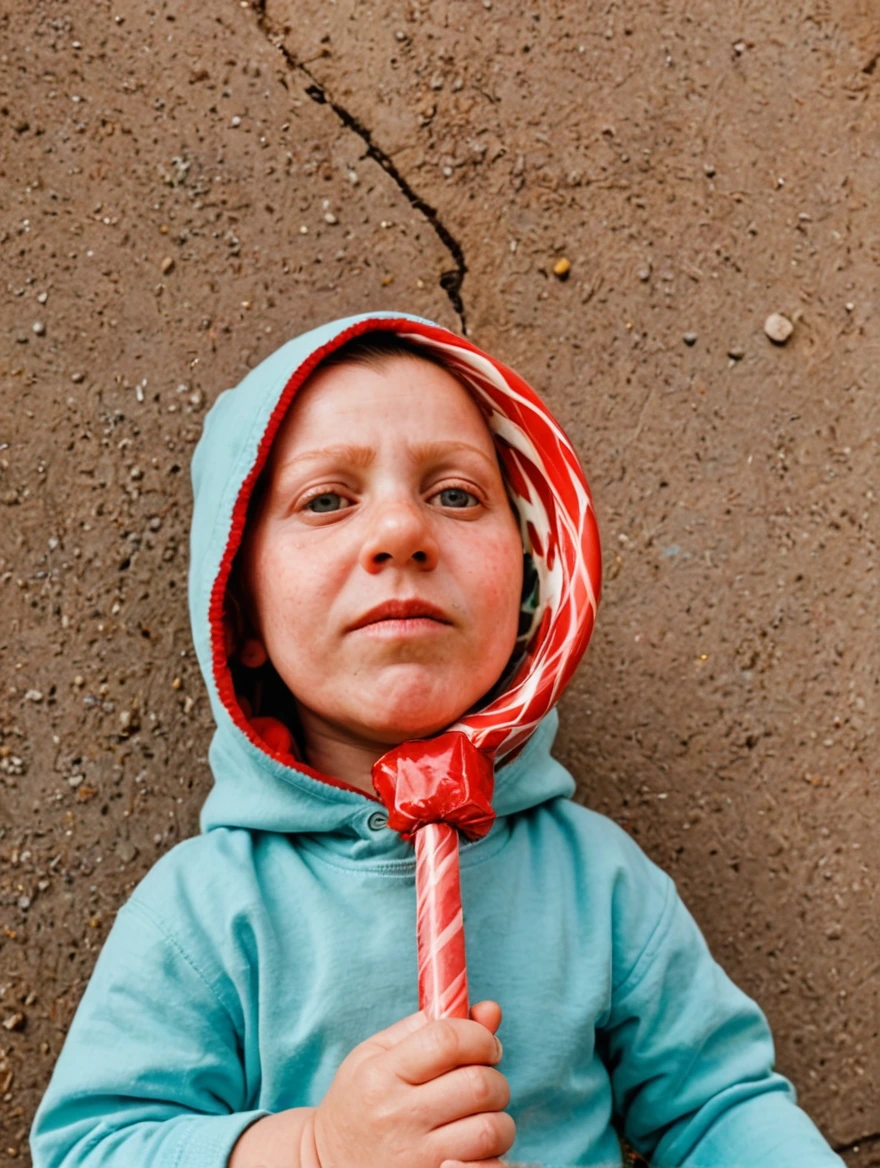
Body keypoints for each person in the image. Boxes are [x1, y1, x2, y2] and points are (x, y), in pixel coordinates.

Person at [30, 312, 844, 1168]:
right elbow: (91, 1146)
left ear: (535, 575)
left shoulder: (598, 885)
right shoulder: (207, 911)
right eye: (326, 500)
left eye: (454, 495)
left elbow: (720, 1109)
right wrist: (316, 1148)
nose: (400, 534)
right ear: (241, 610)